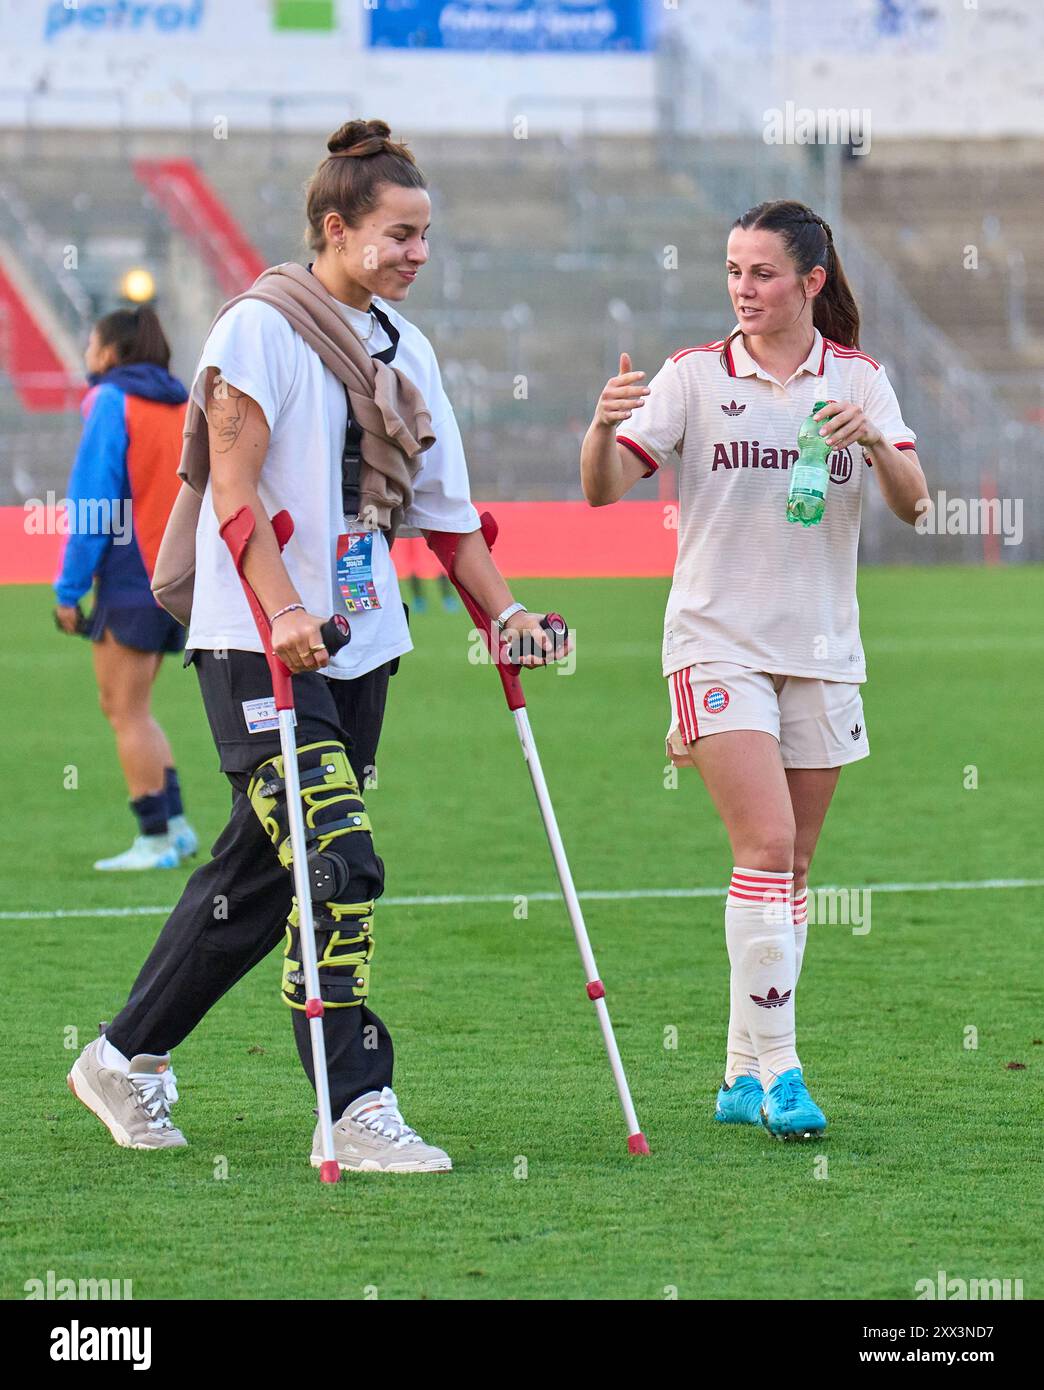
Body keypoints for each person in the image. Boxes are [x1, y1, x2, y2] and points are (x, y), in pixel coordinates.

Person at [68, 118, 570, 1173]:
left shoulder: (408, 347)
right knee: (338, 861)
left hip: (362, 644)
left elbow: (446, 516)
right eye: (398, 234)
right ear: (335, 229)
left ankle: (125, 1053)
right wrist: (283, 611)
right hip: (257, 643)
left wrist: (508, 614)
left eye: (426, 236)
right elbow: (236, 501)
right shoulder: (256, 331)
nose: (416, 254)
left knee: (258, 879)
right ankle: (355, 1102)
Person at [580, 199, 928, 1139]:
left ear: (811, 281)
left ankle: (736, 1070)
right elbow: (605, 488)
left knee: (794, 863)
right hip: (715, 642)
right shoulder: (694, 378)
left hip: (821, 652)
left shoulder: (858, 378)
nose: (744, 288)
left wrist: (871, 443)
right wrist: (599, 428)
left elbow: (917, 503)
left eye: (763, 272)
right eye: (733, 271)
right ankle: (782, 1071)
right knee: (767, 846)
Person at [54, 306, 198, 871]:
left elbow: (92, 503)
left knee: (123, 709)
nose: (87, 353)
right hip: (177, 574)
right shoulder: (184, 402)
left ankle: (155, 838)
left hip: (130, 571)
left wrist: (69, 589)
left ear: (110, 353)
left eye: (91, 343)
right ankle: (177, 828)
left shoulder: (111, 402)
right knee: (137, 708)